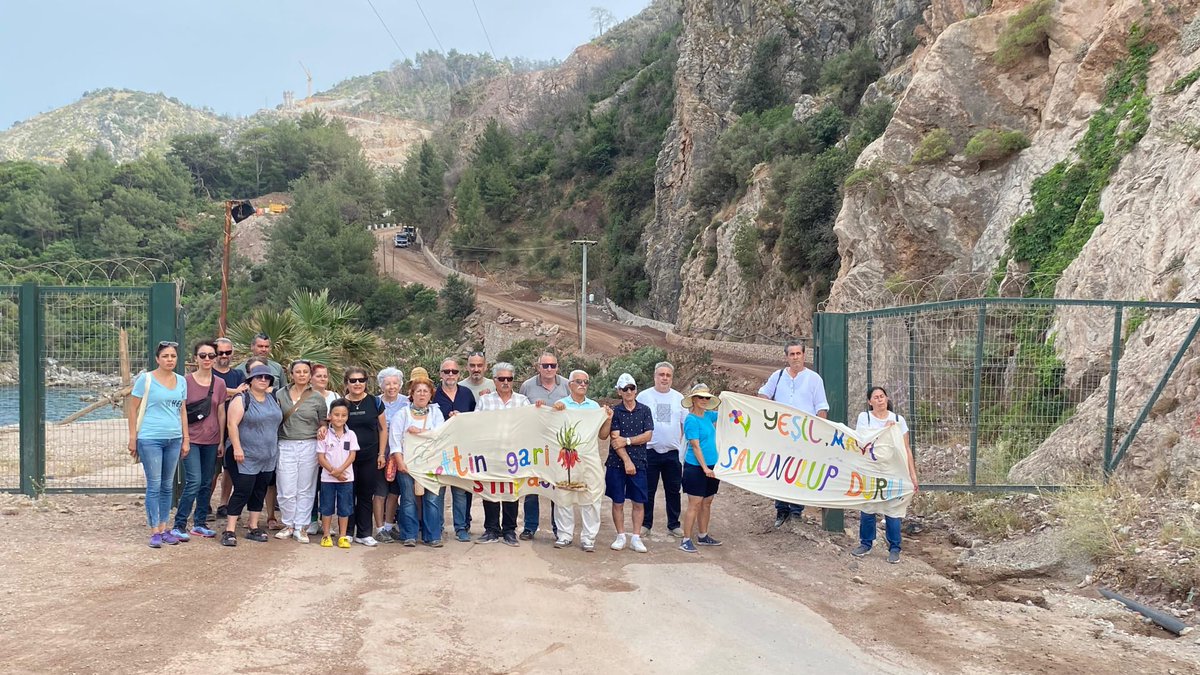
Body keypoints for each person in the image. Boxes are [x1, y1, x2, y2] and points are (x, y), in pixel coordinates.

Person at [757, 340, 828, 528]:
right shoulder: (778, 376)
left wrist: (819, 432)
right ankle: (781, 510)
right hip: (780, 435)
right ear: (787, 357)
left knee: (799, 472)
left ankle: (796, 511)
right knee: (779, 471)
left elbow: (821, 406)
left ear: (804, 355)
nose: (795, 357)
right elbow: (763, 394)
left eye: (798, 354)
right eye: (792, 354)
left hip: (804, 436)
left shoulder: (814, 379)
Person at [128, 341, 188, 548]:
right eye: (165, 356)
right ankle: (154, 530)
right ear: (157, 359)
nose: (169, 359)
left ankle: (164, 527)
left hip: (174, 437)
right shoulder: (145, 380)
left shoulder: (181, 381)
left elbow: (182, 410)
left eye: (173, 356)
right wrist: (132, 437)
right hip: (150, 437)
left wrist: (185, 438)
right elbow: (133, 408)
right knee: (154, 485)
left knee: (166, 485)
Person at [851, 386, 919, 564]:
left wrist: (912, 474)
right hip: (870, 469)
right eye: (876, 397)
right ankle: (866, 543)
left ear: (887, 399)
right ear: (869, 401)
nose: (880, 400)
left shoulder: (898, 420)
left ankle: (895, 547)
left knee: (893, 509)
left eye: (882, 396)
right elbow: (863, 440)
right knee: (868, 506)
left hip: (892, 470)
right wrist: (885, 430)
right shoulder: (864, 418)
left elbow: (905, 448)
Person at [551, 370, 612, 552]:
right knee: (564, 494)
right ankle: (564, 535)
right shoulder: (561, 405)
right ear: (570, 384)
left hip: (589, 458)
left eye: (586, 382)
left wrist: (608, 419)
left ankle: (588, 538)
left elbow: (602, 436)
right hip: (566, 458)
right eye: (578, 381)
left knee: (591, 496)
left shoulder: (594, 407)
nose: (583, 385)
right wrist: (555, 410)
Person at [171, 341, 228, 540]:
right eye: (202, 355)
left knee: (206, 482)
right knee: (193, 481)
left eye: (211, 356)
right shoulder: (185, 382)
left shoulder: (219, 383)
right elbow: (180, 411)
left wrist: (221, 440)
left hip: (211, 440)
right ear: (195, 358)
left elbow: (221, 412)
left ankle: (200, 522)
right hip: (192, 439)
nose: (207, 359)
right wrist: (184, 439)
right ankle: (179, 523)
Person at [222, 365, 283, 547]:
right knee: (242, 490)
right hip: (244, 454)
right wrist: (237, 448)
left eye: (266, 377)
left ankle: (253, 525)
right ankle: (230, 529)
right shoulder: (242, 399)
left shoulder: (273, 399)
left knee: (259, 490)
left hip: (267, 455)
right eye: (258, 377)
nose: (263, 380)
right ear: (250, 380)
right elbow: (232, 425)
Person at [475, 362, 533, 547]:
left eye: (509, 379)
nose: (506, 382)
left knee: (511, 492)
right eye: (502, 379)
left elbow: (529, 424)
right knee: (490, 491)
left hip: (513, 454)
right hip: (491, 453)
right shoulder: (485, 400)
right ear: (495, 380)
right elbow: (476, 423)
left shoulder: (522, 401)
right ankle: (491, 529)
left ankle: (509, 530)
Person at [389, 369, 447, 547]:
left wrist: (420, 431)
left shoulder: (436, 414)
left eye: (425, 391)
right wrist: (400, 462)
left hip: (432, 464)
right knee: (408, 500)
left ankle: (433, 536)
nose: (422, 394)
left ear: (431, 395)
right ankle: (409, 535)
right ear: (411, 394)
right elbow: (395, 441)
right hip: (408, 465)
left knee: (433, 499)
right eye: (418, 391)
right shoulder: (402, 415)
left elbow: (440, 435)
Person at [517, 350, 569, 540]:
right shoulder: (527, 386)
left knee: (557, 487)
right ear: (538, 367)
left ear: (557, 367)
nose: (549, 369)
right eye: (545, 365)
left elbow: (573, 408)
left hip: (559, 445)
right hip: (534, 445)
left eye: (552, 365)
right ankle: (530, 527)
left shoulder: (566, 385)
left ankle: (559, 528)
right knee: (532, 487)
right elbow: (522, 412)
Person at [274, 359, 328, 543]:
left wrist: (323, 429)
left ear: (310, 375)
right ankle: (288, 523)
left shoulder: (317, 398)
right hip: (286, 443)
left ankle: (301, 526)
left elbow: (323, 422)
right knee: (286, 487)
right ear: (291, 374)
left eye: (306, 371)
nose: (302, 375)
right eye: (298, 371)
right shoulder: (280, 394)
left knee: (306, 487)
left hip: (309, 444)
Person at [637, 361, 685, 538]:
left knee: (673, 490)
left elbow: (685, 424)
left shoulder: (679, 398)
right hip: (649, 451)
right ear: (655, 376)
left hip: (672, 453)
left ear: (672, 378)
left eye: (668, 375)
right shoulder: (643, 396)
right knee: (647, 490)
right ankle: (645, 524)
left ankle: (674, 524)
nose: (664, 378)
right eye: (661, 374)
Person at [607, 373, 654, 553]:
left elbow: (647, 435)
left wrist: (627, 441)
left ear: (636, 390)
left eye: (631, 388)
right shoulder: (615, 412)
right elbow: (614, 440)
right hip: (617, 464)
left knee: (638, 501)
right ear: (619, 392)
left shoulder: (645, 410)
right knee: (617, 501)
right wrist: (627, 461)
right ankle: (620, 536)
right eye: (624, 389)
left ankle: (635, 537)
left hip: (640, 462)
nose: (628, 391)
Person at [343, 366, 389, 546]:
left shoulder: (375, 403)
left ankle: (363, 533)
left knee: (365, 494)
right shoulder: (341, 403)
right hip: (347, 457)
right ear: (347, 383)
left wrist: (381, 454)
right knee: (348, 493)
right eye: (353, 380)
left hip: (370, 455)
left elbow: (383, 429)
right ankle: (347, 531)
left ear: (366, 382)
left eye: (361, 380)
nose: (357, 384)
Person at [433, 357, 476, 542]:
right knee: (439, 491)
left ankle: (461, 527)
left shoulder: (466, 393)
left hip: (461, 449)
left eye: (454, 371)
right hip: (439, 450)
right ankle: (439, 527)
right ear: (440, 374)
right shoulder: (434, 394)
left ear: (459, 374)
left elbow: (476, 418)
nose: (450, 375)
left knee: (460, 491)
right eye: (446, 371)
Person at [679, 383, 722, 554]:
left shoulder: (709, 416)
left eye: (707, 398)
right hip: (696, 467)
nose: (704, 400)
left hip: (712, 466)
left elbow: (727, 413)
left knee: (707, 502)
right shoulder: (691, 419)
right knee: (695, 503)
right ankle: (686, 539)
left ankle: (703, 535)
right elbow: (695, 446)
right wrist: (704, 467)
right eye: (701, 397)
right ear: (694, 400)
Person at [212, 337, 247, 521]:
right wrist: (234, 392)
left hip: (235, 428)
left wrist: (226, 393)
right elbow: (213, 395)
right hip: (212, 428)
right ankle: (205, 504)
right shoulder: (208, 373)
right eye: (220, 352)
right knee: (212, 470)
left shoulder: (238, 374)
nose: (224, 356)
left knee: (229, 470)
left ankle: (223, 504)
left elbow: (245, 392)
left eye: (228, 352)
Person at [317, 398, 358, 549]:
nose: (339, 418)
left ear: (347, 416)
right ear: (330, 415)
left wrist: (341, 471)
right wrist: (334, 473)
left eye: (343, 415)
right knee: (327, 508)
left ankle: (342, 536)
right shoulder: (324, 434)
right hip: (327, 479)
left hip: (346, 478)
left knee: (344, 508)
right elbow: (321, 457)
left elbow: (352, 455)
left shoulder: (351, 434)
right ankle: (326, 535)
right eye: (336, 414)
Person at [305, 362, 340, 536]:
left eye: (325, 376)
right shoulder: (305, 396)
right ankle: (311, 520)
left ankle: (326, 520)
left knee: (328, 485)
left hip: (332, 448)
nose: (322, 379)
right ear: (311, 378)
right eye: (318, 376)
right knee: (312, 484)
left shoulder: (334, 396)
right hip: (311, 444)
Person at [376, 367, 409, 541]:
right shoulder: (375, 402)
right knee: (380, 490)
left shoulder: (407, 402)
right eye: (387, 383)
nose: (391, 387)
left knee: (395, 491)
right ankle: (379, 528)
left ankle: (390, 525)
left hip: (401, 451)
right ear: (381, 385)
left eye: (395, 383)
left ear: (400, 384)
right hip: (381, 450)